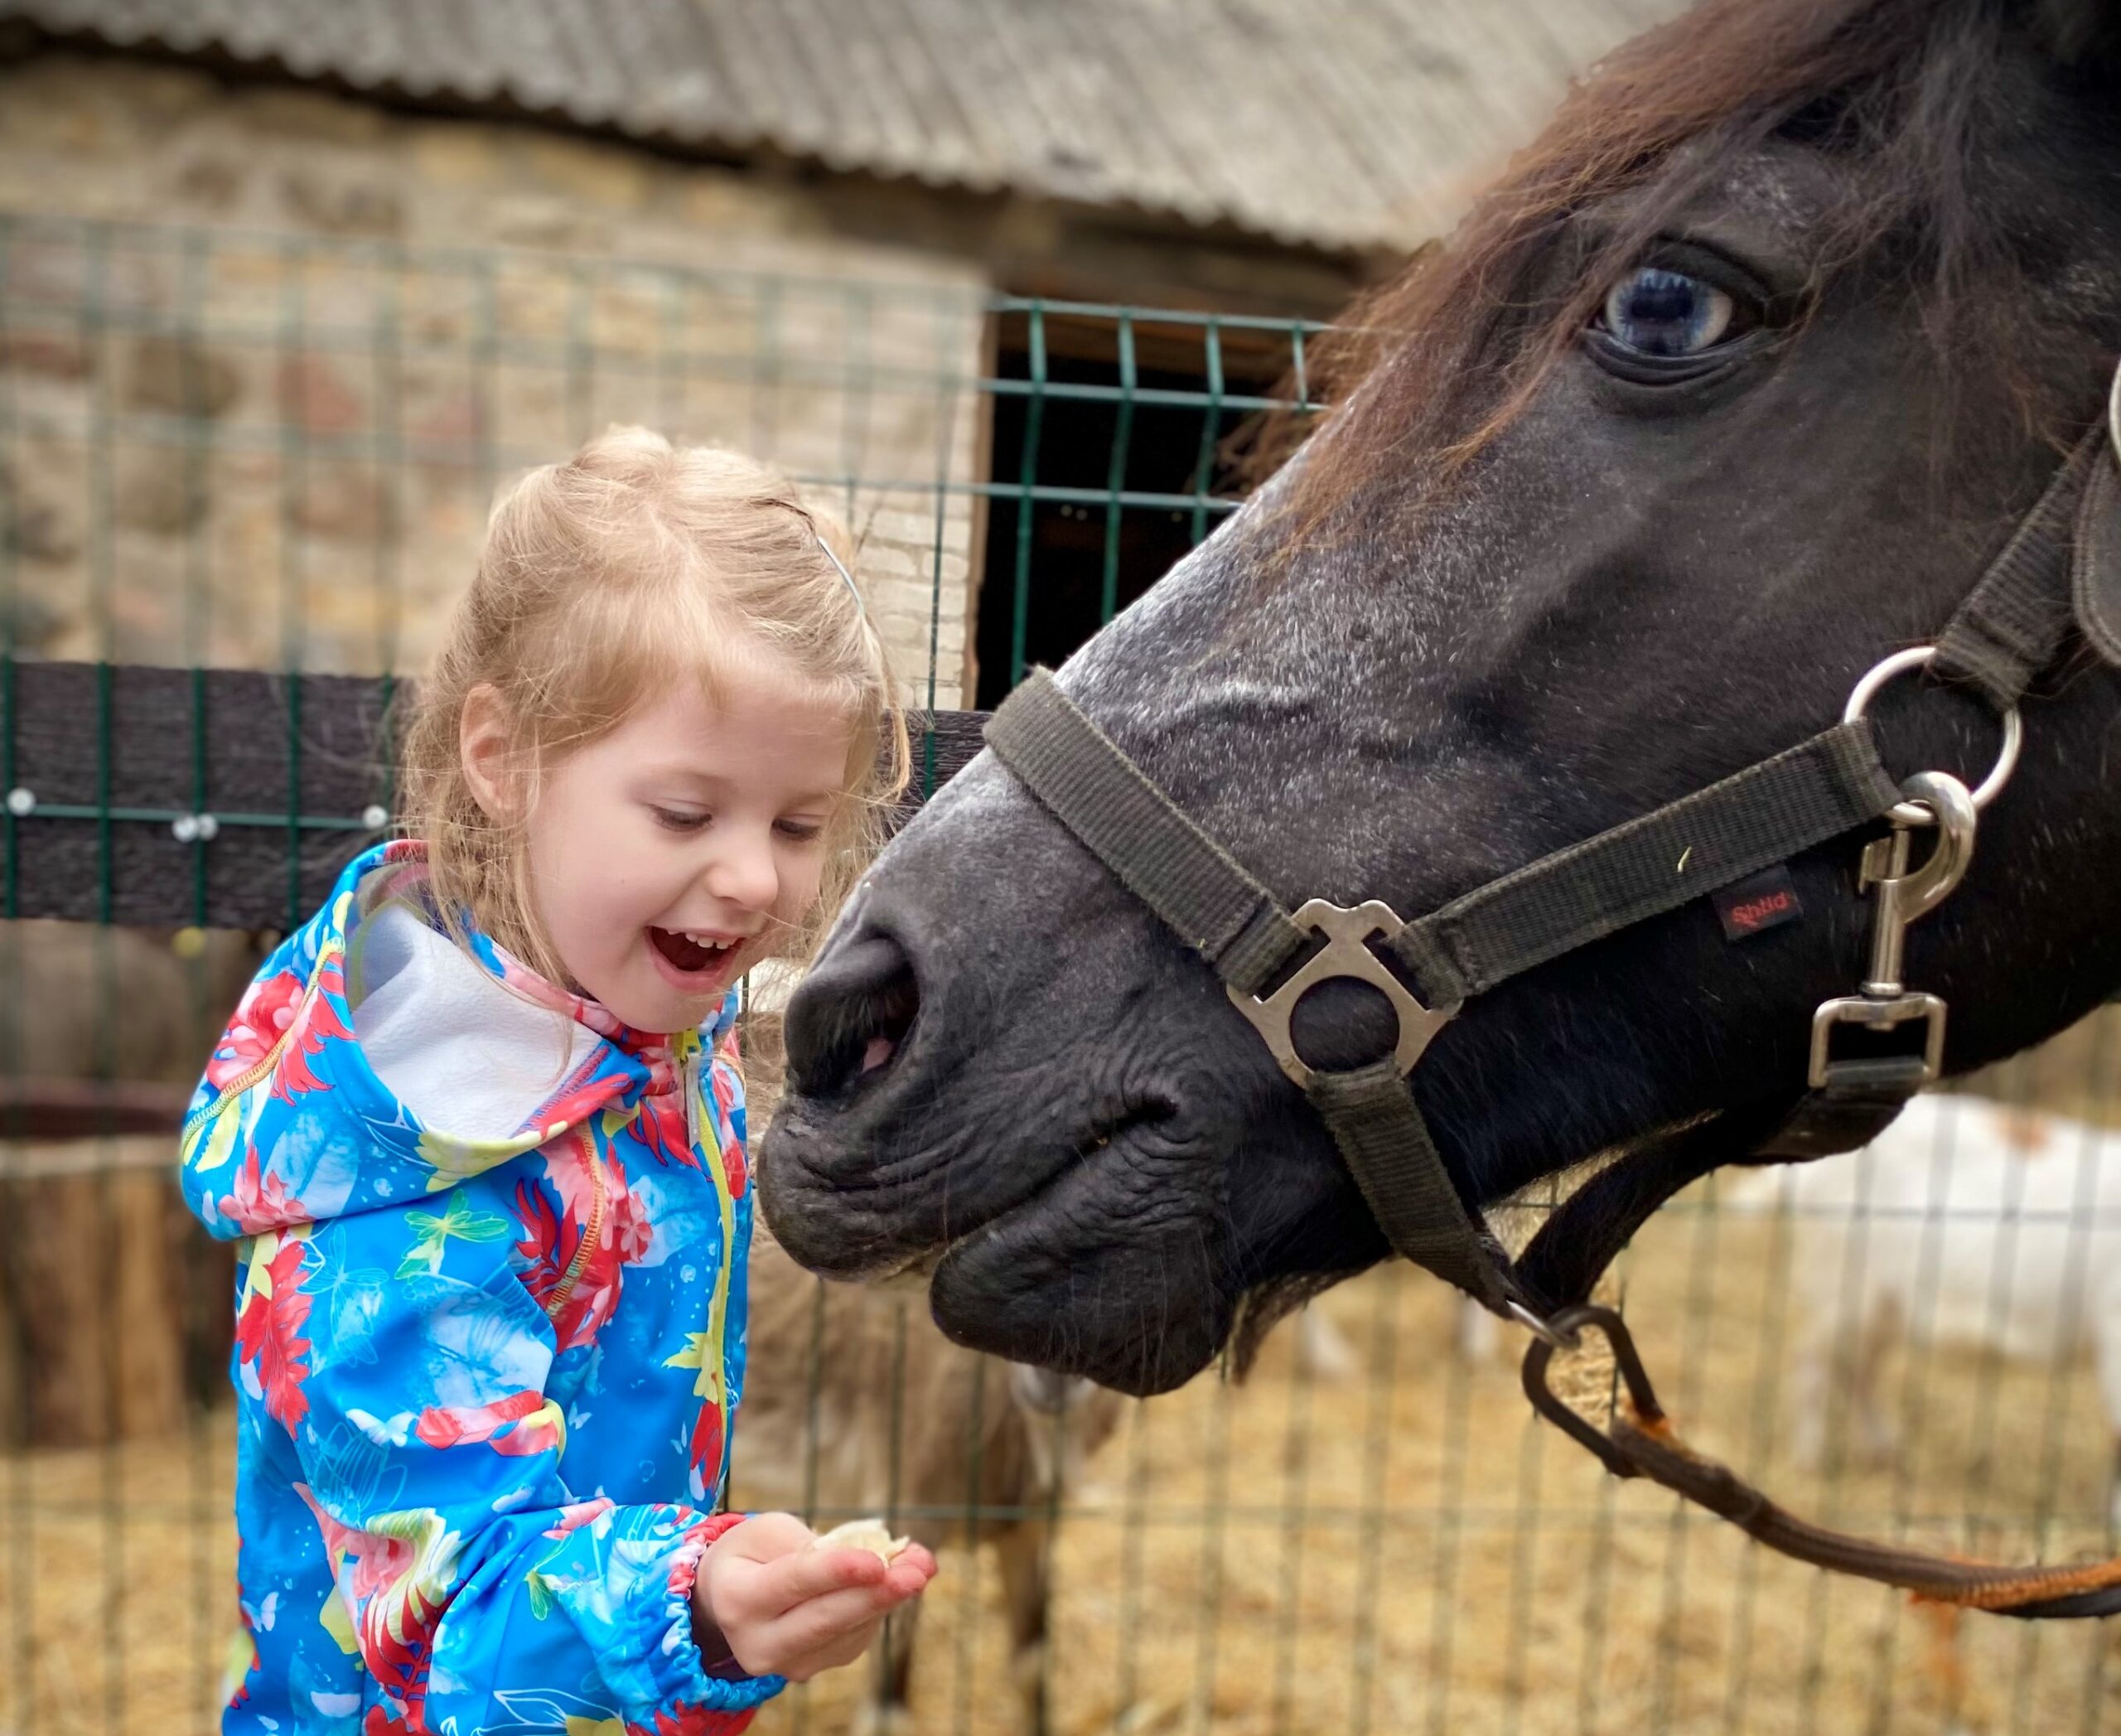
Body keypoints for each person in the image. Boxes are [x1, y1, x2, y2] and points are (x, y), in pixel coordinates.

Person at [180, 427, 935, 1734]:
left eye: (798, 824)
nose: (756, 877)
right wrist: (686, 1606)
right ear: (504, 758)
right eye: (688, 815)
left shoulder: (623, 1021)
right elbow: (442, 1615)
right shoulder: (397, 1212)